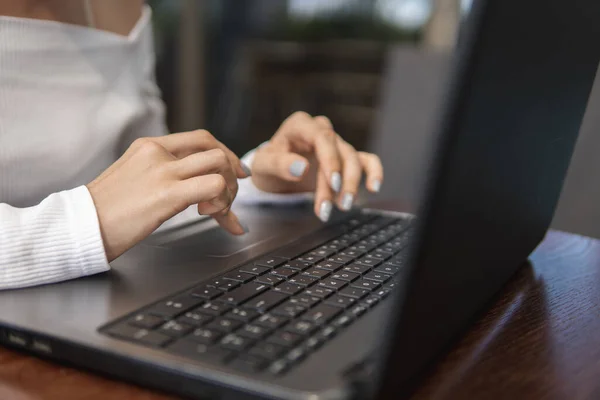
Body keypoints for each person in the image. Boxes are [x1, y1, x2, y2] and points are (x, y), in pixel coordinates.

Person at [0, 0, 384, 290]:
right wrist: (88, 223)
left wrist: (254, 184)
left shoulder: (120, 8)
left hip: (102, 298)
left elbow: (143, 207)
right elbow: (106, 215)